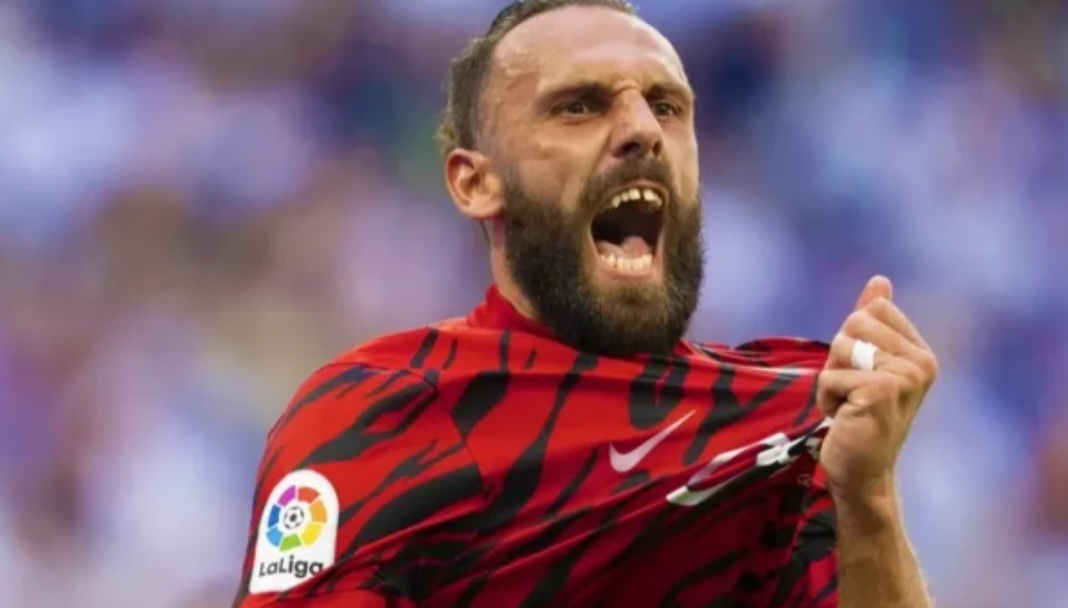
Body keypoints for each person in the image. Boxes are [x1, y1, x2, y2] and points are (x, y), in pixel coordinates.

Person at [232, 1, 939, 606]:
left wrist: (869, 498)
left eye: (667, 107)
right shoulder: (379, 418)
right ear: (476, 183)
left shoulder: (779, 439)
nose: (643, 129)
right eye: (579, 106)